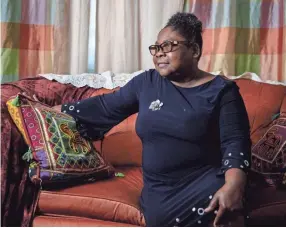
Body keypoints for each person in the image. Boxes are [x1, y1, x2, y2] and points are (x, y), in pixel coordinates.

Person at [58, 12, 251, 227]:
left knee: (223, 204)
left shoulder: (222, 91)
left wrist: (234, 185)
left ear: (195, 50)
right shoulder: (146, 83)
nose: (159, 54)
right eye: (156, 48)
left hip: (205, 179)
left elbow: (235, 142)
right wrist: (55, 111)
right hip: (161, 190)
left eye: (168, 46)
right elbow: (104, 107)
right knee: (160, 216)